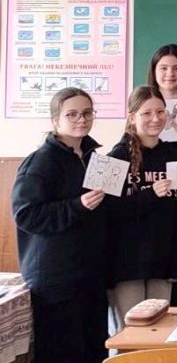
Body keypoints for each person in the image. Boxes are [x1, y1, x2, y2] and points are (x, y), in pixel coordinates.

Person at [12, 88, 107, 363]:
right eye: (72, 114)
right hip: (56, 281)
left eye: (87, 113)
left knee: (94, 351)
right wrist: (77, 205)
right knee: (62, 353)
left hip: (90, 275)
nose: (81, 119)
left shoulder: (93, 157)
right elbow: (26, 214)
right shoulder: (41, 161)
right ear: (56, 120)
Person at [107, 86, 177, 330]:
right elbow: (106, 212)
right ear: (132, 117)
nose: (155, 118)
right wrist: (150, 195)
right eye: (146, 113)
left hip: (163, 262)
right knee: (131, 334)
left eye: (160, 111)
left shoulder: (175, 156)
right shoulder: (114, 158)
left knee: (160, 332)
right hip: (126, 265)